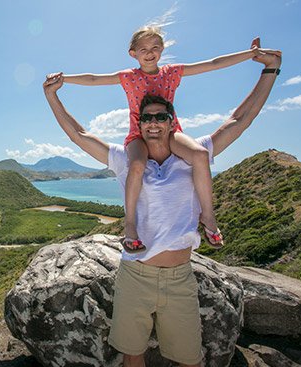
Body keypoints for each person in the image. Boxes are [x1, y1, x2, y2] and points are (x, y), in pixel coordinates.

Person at [43, 44, 281, 366]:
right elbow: (78, 133)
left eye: (161, 117)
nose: (153, 123)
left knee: (189, 360)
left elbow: (241, 119)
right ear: (138, 125)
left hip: (180, 277)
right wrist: (52, 96)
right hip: (135, 275)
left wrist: (269, 71)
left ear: (172, 122)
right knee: (133, 356)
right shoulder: (125, 160)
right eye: (146, 118)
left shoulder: (193, 158)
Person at [56, 26, 264, 253]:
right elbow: (95, 79)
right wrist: (63, 79)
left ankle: (208, 216)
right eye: (143, 48)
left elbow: (212, 64)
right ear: (133, 53)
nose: (149, 52)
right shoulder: (128, 77)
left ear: (162, 49)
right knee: (136, 164)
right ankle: (130, 225)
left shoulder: (171, 73)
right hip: (138, 134)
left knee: (200, 155)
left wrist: (250, 53)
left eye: (155, 47)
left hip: (171, 130)